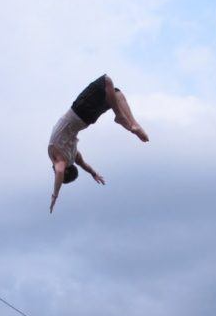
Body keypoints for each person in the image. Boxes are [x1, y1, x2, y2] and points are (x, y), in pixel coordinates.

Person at [48, 74, 148, 213]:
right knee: (106, 81)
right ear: (65, 171)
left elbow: (83, 165)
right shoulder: (59, 159)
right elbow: (60, 171)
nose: (54, 171)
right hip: (80, 110)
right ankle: (120, 117)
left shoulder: (71, 156)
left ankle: (132, 124)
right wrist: (55, 195)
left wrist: (93, 173)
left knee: (115, 93)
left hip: (86, 119)